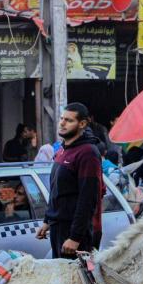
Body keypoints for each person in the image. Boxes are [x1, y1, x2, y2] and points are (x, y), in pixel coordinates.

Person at [36, 103, 102, 259]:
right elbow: (56, 191)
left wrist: (75, 237)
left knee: (76, 282)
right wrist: (47, 220)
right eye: (61, 119)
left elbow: (88, 198)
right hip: (57, 228)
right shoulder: (63, 149)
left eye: (69, 120)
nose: (62, 123)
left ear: (82, 124)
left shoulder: (88, 153)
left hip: (73, 234)